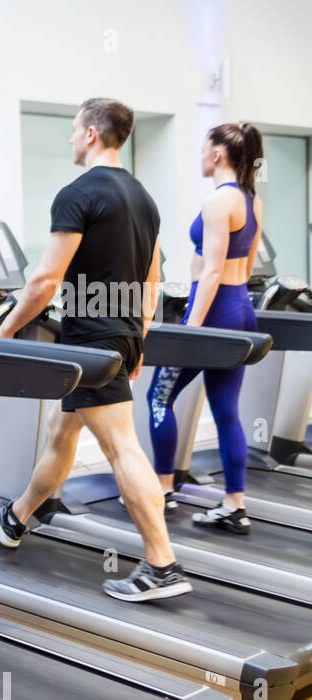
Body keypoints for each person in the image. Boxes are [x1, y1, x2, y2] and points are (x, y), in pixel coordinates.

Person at [0, 97, 192, 602]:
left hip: (89, 338)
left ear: (92, 134)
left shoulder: (76, 194)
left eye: (75, 130)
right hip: (116, 334)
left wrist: (2, 335)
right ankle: (17, 516)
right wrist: (138, 340)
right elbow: (151, 282)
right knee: (61, 432)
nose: (71, 138)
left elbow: (45, 280)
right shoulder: (144, 198)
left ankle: (162, 564)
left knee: (121, 446)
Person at [147, 123, 265, 534]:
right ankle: (235, 503)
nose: (200, 156)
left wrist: (190, 329)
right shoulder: (251, 200)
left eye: (202, 149)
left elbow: (212, 269)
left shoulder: (218, 202)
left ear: (217, 154)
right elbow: (246, 268)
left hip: (212, 312)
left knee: (159, 396)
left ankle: (162, 491)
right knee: (227, 410)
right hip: (240, 307)